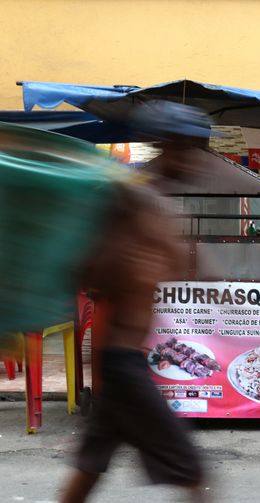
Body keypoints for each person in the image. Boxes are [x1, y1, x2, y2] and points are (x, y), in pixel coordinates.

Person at [60, 101, 214, 503]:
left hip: (121, 358)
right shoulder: (131, 198)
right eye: (194, 149)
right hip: (122, 360)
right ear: (171, 146)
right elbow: (90, 269)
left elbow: (175, 261)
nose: (199, 162)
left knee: (91, 465)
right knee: (192, 470)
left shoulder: (149, 201)